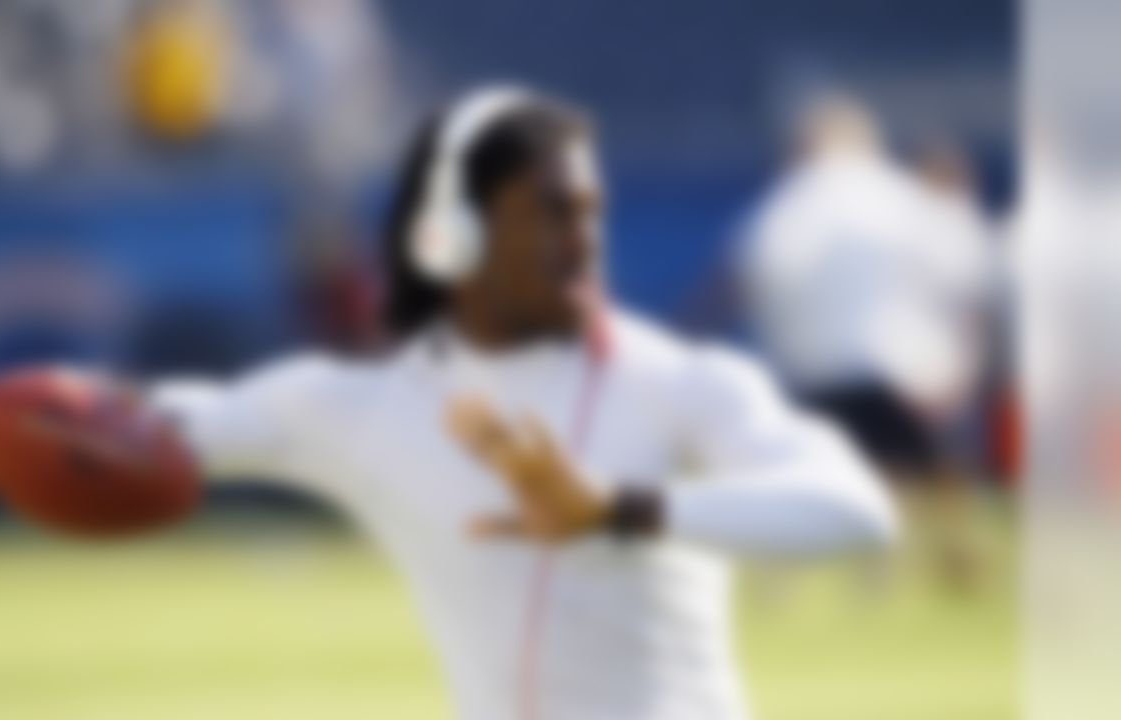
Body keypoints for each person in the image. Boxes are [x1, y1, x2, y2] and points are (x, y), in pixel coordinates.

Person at [138, 86, 895, 720]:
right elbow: (155, 425)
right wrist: (77, 417)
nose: (585, 239)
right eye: (552, 212)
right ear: (450, 239)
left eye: (591, 211)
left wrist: (618, 510)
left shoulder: (680, 380)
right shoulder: (367, 407)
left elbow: (857, 510)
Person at [739, 94, 988, 480]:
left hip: (816, 377)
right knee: (925, 483)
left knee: (835, 484)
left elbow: (756, 274)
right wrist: (959, 370)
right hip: (906, 374)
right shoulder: (907, 198)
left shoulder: (793, 202)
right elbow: (963, 280)